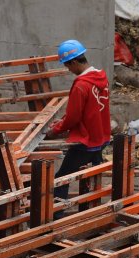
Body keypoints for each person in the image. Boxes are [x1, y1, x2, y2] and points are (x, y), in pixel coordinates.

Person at [47, 39, 111, 218]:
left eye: (68, 66)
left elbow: (74, 116)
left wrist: (56, 130)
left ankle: (56, 216)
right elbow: (88, 109)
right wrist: (62, 122)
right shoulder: (101, 78)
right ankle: (90, 209)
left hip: (86, 141)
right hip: (101, 137)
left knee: (61, 178)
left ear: (74, 62)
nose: (68, 70)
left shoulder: (81, 85)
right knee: (90, 173)